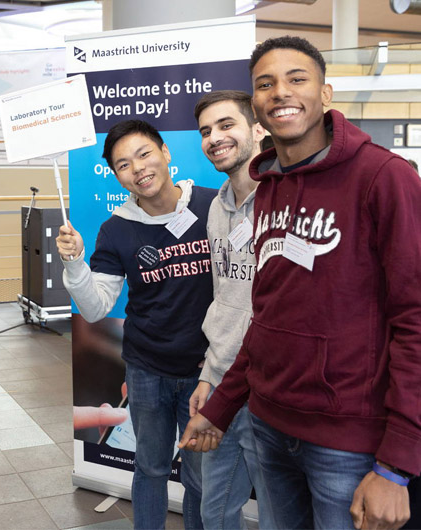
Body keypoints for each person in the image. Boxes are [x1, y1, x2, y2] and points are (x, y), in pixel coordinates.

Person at [180, 36, 421, 530]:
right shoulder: (269, 191)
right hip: (269, 428)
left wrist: (397, 465)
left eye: (296, 79)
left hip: (346, 442)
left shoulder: (385, 178)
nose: (280, 92)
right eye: (265, 84)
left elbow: (415, 322)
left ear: (326, 93)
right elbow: (267, 317)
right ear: (258, 107)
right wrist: (222, 404)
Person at [57, 119, 217, 530]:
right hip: (147, 372)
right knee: (150, 469)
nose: (138, 168)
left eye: (144, 153)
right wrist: (75, 263)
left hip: (207, 374)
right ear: (116, 175)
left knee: (202, 477)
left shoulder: (215, 206)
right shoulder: (116, 229)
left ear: (165, 152)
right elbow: (95, 309)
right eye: (124, 164)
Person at [190, 90, 265, 529]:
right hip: (220, 385)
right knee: (214, 512)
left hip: (265, 389)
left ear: (258, 129)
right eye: (205, 131)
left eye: (226, 125)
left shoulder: (287, 201)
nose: (214, 137)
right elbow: (223, 297)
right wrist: (207, 373)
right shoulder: (217, 209)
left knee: (279, 512)